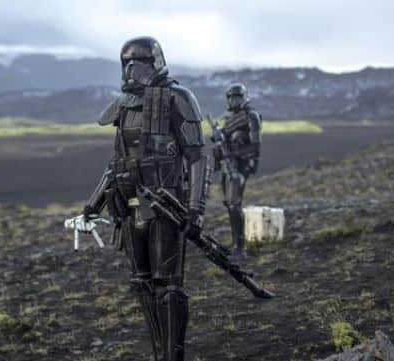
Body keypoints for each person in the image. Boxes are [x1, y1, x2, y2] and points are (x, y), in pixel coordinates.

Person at [82, 36, 208, 361]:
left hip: (166, 206)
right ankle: (158, 354)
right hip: (128, 205)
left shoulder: (178, 99)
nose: (132, 70)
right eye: (127, 64)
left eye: (138, 63)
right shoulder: (122, 106)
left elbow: (196, 157)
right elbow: (117, 164)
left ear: (156, 63)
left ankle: (172, 356)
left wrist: (196, 209)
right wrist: (93, 205)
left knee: (168, 286)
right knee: (142, 284)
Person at [212, 83, 262, 262]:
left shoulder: (252, 116)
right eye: (231, 97)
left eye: (238, 97)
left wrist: (235, 154)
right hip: (227, 164)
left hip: (239, 166)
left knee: (234, 204)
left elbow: (255, 146)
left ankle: (240, 249)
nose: (234, 101)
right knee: (229, 204)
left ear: (245, 97)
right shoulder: (228, 118)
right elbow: (222, 140)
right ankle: (236, 244)